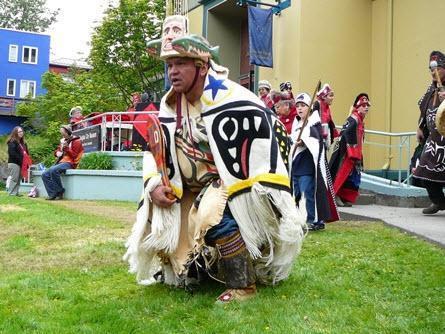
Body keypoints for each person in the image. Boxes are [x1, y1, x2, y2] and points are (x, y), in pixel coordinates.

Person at [124, 15, 305, 304]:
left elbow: (260, 147)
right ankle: (198, 271)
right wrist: (155, 184)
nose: (172, 71)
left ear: (202, 66)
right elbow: (153, 149)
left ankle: (243, 285)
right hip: (185, 186)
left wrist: (239, 187)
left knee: (212, 216)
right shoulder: (170, 106)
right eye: (169, 65)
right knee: (167, 228)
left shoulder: (234, 100)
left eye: (180, 63)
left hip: (227, 183)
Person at [290, 93, 339, 231]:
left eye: (303, 106)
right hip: (296, 166)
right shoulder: (297, 124)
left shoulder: (314, 124)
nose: (299, 109)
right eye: (297, 106)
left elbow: (317, 142)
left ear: (309, 107)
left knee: (307, 193)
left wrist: (304, 142)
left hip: (307, 167)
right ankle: (301, 218)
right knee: (297, 194)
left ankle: (313, 219)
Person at [413, 51, 445, 215]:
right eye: (431, 69)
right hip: (433, 141)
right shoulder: (430, 90)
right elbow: (425, 109)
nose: (433, 72)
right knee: (423, 173)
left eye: (437, 68)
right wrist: (420, 126)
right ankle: (439, 201)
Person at [329, 93, 371, 207]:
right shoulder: (354, 119)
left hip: (355, 154)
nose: (366, 107)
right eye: (363, 105)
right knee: (341, 174)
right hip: (348, 154)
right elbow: (347, 134)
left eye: (367, 105)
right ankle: (335, 195)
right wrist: (353, 152)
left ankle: (345, 197)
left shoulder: (360, 120)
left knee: (352, 177)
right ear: (357, 107)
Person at [42, 125, 84, 200]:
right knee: (44, 174)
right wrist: (57, 153)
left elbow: (75, 156)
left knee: (53, 170)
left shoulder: (76, 141)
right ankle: (52, 194)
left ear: (68, 132)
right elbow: (57, 151)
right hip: (61, 162)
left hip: (70, 163)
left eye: (63, 132)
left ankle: (60, 191)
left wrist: (67, 149)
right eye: (61, 133)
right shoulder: (63, 141)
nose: (62, 134)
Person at [6, 126, 31, 196]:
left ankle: (16, 192)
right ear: (15, 133)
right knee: (14, 179)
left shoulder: (23, 143)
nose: (21, 133)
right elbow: (12, 153)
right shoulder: (12, 141)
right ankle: (11, 193)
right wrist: (21, 160)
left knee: (18, 178)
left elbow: (26, 153)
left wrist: (27, 162)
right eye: (19, 132)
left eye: (22, 131)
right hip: (14, 163)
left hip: (21, 163)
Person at [313, 83, 339, 149]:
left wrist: (335, 136)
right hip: (316, 139)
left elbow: (330, 122)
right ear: (324, 97)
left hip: (325, 138)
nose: (332, 98)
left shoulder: (327, 108)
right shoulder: (317, 105)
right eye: (330, 96)